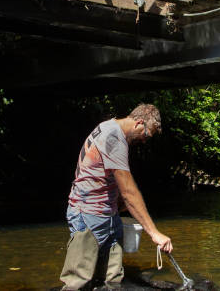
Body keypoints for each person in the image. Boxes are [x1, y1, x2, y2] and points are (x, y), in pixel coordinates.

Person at [59, 104, 173, 290]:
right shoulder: (113, 137)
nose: (145, 140)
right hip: (88, 216)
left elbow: (107, 177)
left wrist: (116, 202)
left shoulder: (109, 128)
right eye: (147, 135)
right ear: (139, 123)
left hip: (108, 216)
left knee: (112, 280)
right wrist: (154, 233)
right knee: (78, 282)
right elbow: (129, 192)